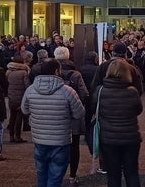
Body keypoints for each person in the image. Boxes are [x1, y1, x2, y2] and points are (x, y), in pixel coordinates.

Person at [21, 59, 85, 187]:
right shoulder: (67, 91)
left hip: (39, 139)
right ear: (57, 71)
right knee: (55, 177)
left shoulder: (31, 89)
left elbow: (24, 109)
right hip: (61, 140)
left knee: (41, 175)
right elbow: (79, 113)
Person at [93, 58, 143, 187]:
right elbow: (138, 110)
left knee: (113, 175)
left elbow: (94, 109)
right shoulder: (132, 92)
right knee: (132, 172)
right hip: (130, 137)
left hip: (109, 138)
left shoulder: (100, 91)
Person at [54, 46, 89, 187]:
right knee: (74, 146)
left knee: (56, 147)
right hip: (73, 116)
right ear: (68, 56)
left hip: (56, 115)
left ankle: (56, 175)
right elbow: (84, 94)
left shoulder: (50, 73)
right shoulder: (76, 74)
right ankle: (72, 177)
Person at [6, 55, 30, 144]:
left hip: (11, 96)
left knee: (12, 116)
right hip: (21, 96)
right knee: (19, 116)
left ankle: (11, 136)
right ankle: (18, 136)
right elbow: (27, 85)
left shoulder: (8, 71)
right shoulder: (24, 72)